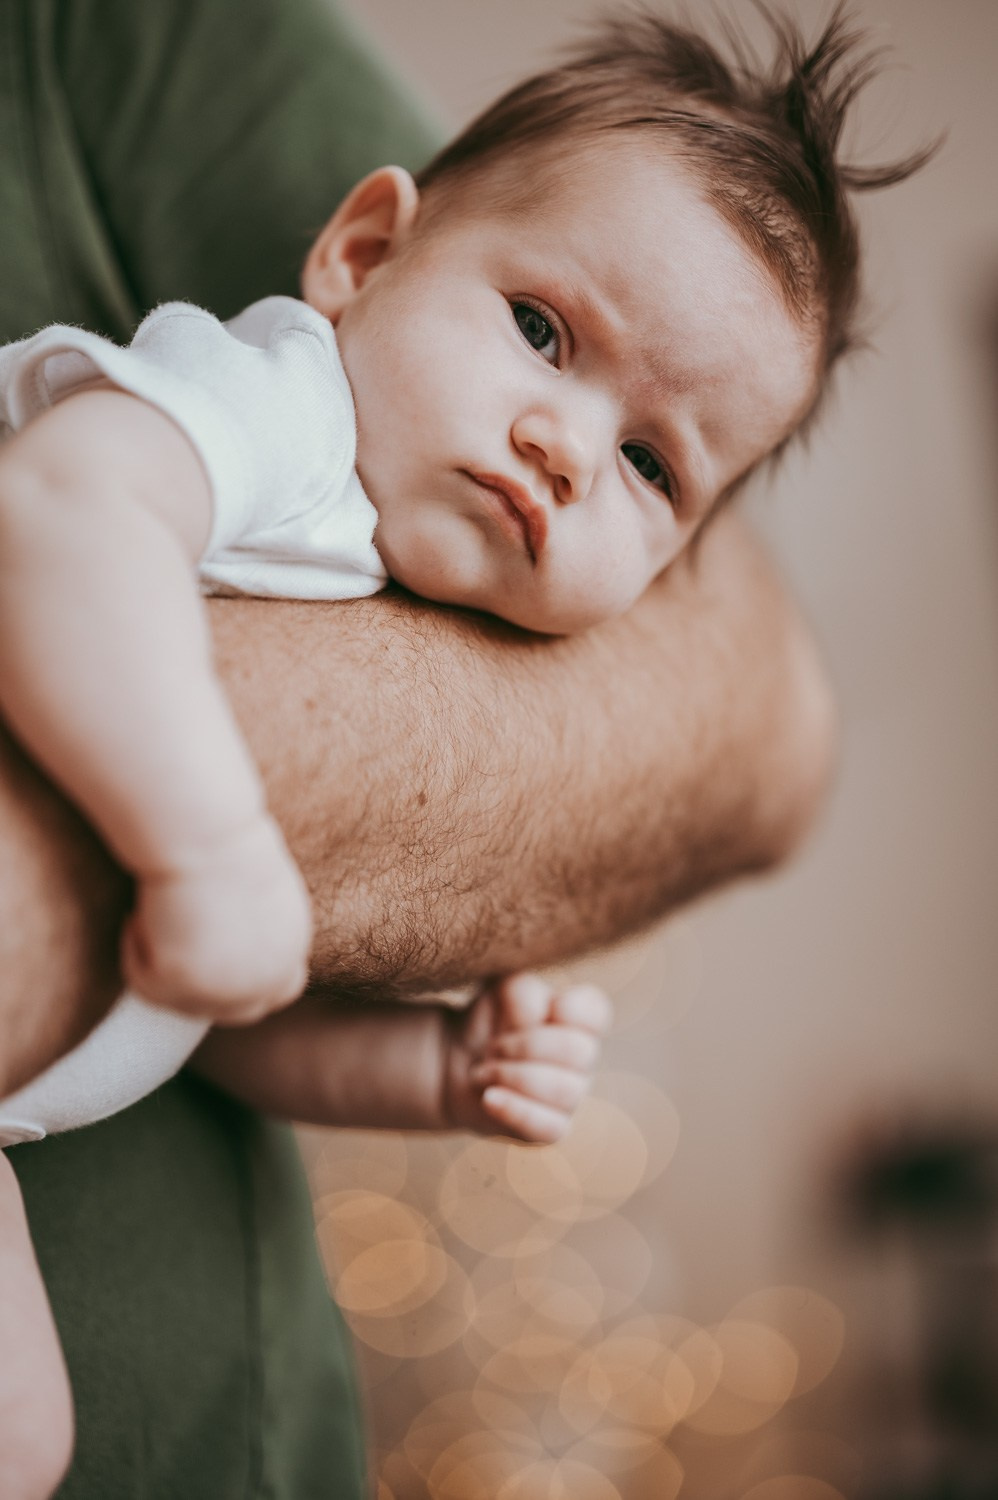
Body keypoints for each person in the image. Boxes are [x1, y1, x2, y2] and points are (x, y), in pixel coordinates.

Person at [0, 0, 837, 1495]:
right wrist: (211, 848)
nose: (567, 446)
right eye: (540, 331)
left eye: (651, 465)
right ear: (365, 256)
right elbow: (60, 512)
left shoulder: (356, 567)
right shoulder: (274, 412)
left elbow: (217, 1016)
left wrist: (429, 1072)